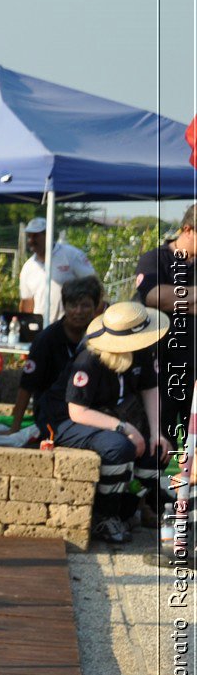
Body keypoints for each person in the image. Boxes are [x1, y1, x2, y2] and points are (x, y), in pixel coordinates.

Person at [55, 302, 172, 544]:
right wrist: (125, 429)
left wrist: (155, 433)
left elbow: (150, 388)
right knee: (120, 447)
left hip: (116, 417)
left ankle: (126, 511)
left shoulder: (141, 352)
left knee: (156, 452)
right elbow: (77, 411)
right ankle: (104, 515)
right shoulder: (89, 359)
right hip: (74, 421)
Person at [4, 275, 103, 439]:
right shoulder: (46, 340)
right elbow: (27, 384)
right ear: (64, 306)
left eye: (85, 305)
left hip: (89, 409)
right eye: (73, 305)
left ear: (95, 307)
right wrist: (15, 427)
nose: (78, 311)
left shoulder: (100, 339)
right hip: (52, 413)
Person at [134, 204, 195, 448]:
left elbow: (168, 301)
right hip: (162, 368)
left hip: (195, 372)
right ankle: (154, 485)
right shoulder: (155, 259)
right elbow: (155, 297)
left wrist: (174, 302)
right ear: (188, 230)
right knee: (161, 442)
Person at [18, 217, 96, 324]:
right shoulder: (28, 267)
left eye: (35, 236)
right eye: (29, 236)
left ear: (48, 235)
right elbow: (27, 302)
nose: (31, 240)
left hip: (69, 327)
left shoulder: (71, 255)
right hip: (40, 330)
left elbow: (93, 284)